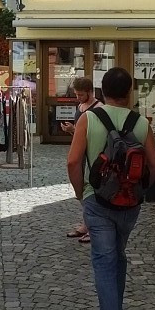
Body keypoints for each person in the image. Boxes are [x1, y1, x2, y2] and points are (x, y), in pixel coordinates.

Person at [67, 67, 155, 310]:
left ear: (102, 92)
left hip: (98, 200)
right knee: (117, 256)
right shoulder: (141, 122)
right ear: (129, 91)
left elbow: (73, 162)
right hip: (130, 203)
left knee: (105, 262)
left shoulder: (89, 118)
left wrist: (81, 193)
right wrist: (139, 189)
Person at [63, 76, 101, 243]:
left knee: (92, 190)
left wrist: (75, 129)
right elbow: (80, 132)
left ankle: (93, 227)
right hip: (81, 153)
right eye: (76, 95)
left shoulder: (99, 108)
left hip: (93, 154)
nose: (78, 98)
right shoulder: (80, 106)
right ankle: (87, 223)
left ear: (90, 92)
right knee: (81, 190)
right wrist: (72, 130)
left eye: (81, 95)